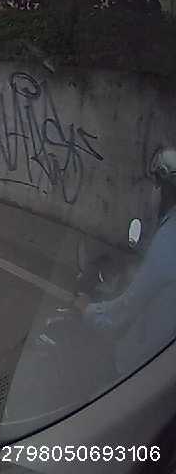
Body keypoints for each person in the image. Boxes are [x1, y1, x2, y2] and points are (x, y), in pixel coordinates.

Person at [77, 147, 176, 376]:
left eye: (156, 183)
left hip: (143, 364)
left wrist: (88, 310)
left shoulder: (168, 240)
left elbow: (126, 309)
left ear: (166, 189)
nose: (153, 190)